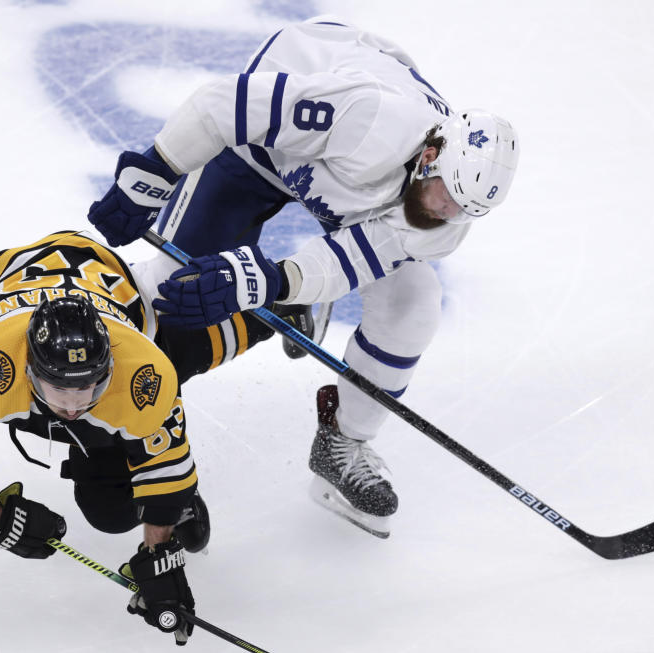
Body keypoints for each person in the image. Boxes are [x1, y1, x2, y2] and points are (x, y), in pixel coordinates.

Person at [86, 17, 520, 538]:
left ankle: (344, 442)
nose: (447, 214)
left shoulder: (445, 222)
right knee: (168, 290)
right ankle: (90, 391)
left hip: (352, 191)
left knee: (414, 302)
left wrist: (272, 282)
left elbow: (349, 259)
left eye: (463, 210)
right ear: (430, 157)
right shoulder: (369, 117)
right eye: (446, 196)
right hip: (257, 151)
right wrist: (153, 173)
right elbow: (221, 106)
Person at [0, 230, 276, 645]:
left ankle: (274, 311)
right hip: (7, 273)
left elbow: (166, 469)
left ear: (109, 364)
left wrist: (158, 553)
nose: (74, 406)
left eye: (88, 387)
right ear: (28, 368)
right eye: (61, 389)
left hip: (116, 292)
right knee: (127, 441)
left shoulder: (140, 370)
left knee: (168, 362)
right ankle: (249, 319)